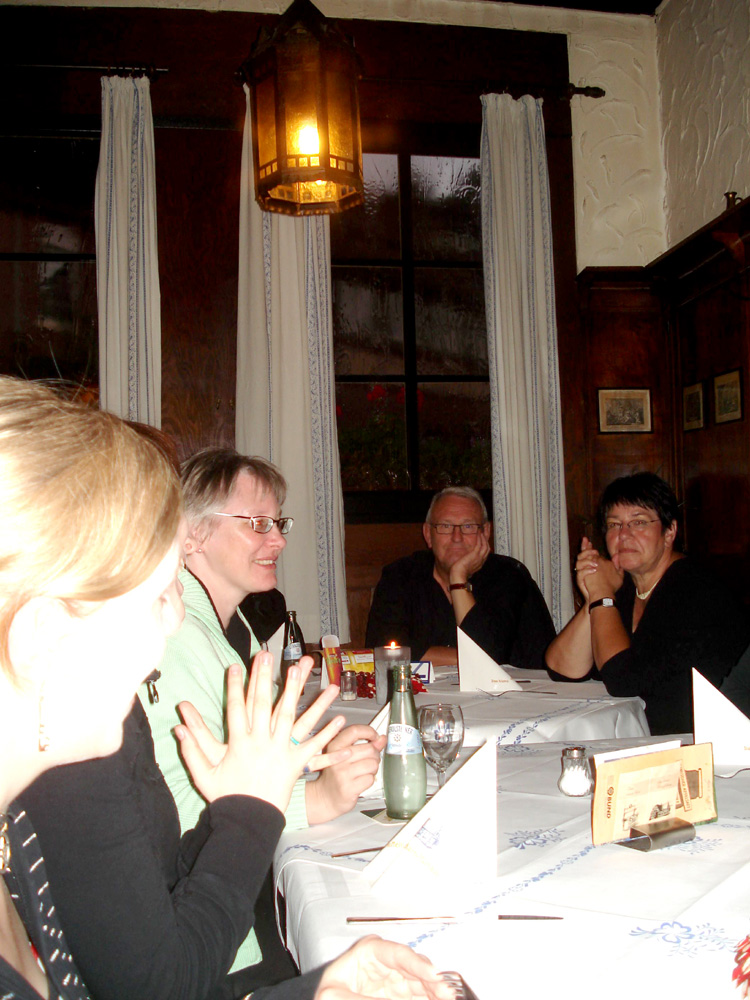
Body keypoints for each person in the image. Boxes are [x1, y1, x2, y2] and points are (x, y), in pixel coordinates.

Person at [0, 377, 453, 1000]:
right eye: (157, 596)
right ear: (43, 637)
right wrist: (253, 810)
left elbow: (161, 880)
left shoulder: (45, 797)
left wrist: (317, 991)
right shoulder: (76, 771)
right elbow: (160, 982)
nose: (174, 620)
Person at [142, 448, 386, 989]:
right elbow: (173, 804)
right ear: (192, 534)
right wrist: (318, 799)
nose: (277, 540)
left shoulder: (234, 627)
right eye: (257, 524)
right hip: (205, 931)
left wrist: (319, 755)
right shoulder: (173, 640)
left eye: (279, 523)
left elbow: (258, 752)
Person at [545, 472, 750, 735]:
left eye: (638, 522)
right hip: (648, 735)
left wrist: (601, 595)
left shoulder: (696, 590)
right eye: (614, 524)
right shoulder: (626, 586)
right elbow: (563, 669)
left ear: (669, 531)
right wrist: (594, 596)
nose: (623, 535)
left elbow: (623, 680)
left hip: (708, 741)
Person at [366, 485, 555, 668]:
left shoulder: (510, 577)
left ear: (485, 532)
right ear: (428, 534)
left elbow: (498, 651)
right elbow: (384, 652)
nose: (457, 537)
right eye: (445, 526)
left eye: (468, 526)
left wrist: (458, 579)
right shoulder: (400, 577)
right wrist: (470, 659)